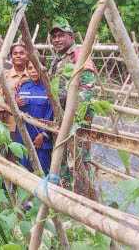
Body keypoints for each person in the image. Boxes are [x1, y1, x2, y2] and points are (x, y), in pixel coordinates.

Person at [48, 16, 98, 199]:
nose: (57, 40)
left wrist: (75, 117)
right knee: (61, 154)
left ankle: (86, 197)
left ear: (70, 36)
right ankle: (64, 193)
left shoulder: (79, 54)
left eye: (61, 35)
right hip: (60, 116)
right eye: (54, 37)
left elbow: (87, 89)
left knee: (79, 156)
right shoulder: (58, 58)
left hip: (77, 118)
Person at [16, 65, 54, 173]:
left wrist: (43, 134)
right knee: (23, 172)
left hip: (41, 140)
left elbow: (51, 114)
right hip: (24, 137)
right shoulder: (22, 87)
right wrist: (15, 103)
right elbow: (16, 111)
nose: (33, 71)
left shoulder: (49, 89)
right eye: (30, 68)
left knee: (42, 172)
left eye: (36, 68)